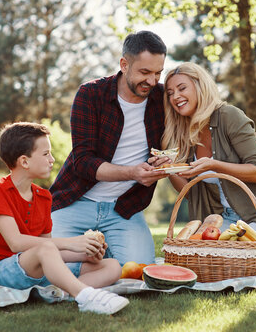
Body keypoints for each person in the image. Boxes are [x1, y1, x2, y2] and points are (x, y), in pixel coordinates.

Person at [0, 122, 129, 315]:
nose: (52, 159)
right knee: (46, 247)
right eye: (45, 154)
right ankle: (85, 297)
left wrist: (84, 253)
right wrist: (72, 242)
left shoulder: (44, 196)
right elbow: (16, 243)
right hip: (2, 271)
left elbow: (49, 252)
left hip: (37, 268)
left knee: (112, 266)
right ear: (24, 161)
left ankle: (60, 293)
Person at [160, 62, 256, 265]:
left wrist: (214, 165)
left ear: (200, 86)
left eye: (182, 88)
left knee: (232, 259)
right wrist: (168, 169)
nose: (175, 97)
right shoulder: (184, 135)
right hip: (226, 220)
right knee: (199, 259)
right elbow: (193, 193)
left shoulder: (228, 116)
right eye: (170, 93)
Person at [49, 31, 171, 266]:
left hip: (124, 207)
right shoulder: (91, 94)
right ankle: (96, 256)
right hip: (76, 200)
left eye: (158, 73)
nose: (152, 81)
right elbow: (83, 162)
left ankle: (101, 255)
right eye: (144, 72)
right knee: (49, 266)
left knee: (137, 271)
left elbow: (199, 113)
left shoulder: (162, 98)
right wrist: (133, 172)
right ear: (124, 64)